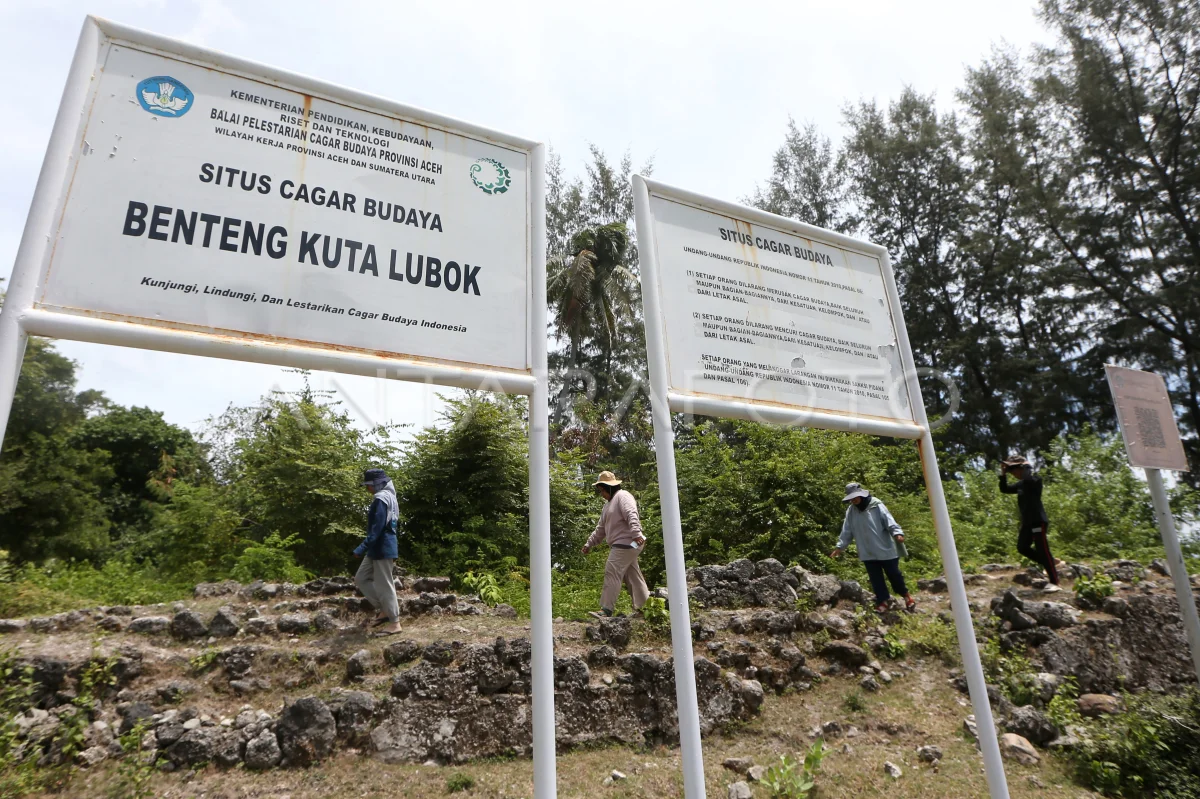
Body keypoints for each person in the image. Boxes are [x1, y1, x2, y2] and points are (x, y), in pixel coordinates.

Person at [830, 482, 916, 613]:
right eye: (851, 498)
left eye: (855, 497)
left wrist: (897, 533)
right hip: (867, 551)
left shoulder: (876, 505)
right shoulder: (851, 511)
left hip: (885, 549)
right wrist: (840, 547)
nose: (853, 500)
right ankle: (883, 601)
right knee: (876, 579)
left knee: (894, 575)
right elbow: (847, 530)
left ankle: (907, 597)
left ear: (861, 495)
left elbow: (889, 520)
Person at [581, 471, 649, 619]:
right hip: (624, 544)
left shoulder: (623, 496)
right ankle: (646, 608)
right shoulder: (607, 506)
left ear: (610, 488)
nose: (602, 494)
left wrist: (636, 533)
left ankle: (606, 609)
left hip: (628, 542)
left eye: (603, 490)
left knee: (611, 571)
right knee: (633, 575)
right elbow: (600, 529)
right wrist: (589, 543)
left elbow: (631, 514)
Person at [354, 468, 402, 635]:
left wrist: (361, 548)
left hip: (383, 547)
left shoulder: (382, 499)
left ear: (378, 484)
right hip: (377, 547)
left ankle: (395, 623)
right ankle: (384, 610)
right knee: (361, 578)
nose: (368, 488)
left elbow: (377, 529)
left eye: (369, 485)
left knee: (385, 585)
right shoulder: (387, 497)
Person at [1000, 455, 1060, 585]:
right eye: (1011, 472)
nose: (1013, 474)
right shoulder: (1020, 485)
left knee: (1042, 550)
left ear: (1023, 468)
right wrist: (1003, 474)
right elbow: (1004, 489)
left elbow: (1028, 478)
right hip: (1027, 522)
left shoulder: (1035, 480)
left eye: (1014, 470)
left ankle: (1054, 582)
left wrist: (1026, 466)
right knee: (1022, 547)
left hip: (1038, 521)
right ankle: (1050, 561)